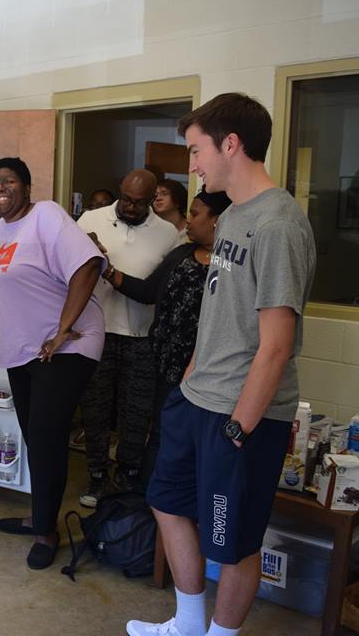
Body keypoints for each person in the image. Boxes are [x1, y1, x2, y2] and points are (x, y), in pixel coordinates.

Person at [127, 93, 316, 636]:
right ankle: (188, 622)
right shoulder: (232, 215)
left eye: (195, 150)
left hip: (240, 414)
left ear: (230, 144)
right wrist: (188, 377)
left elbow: (276, 343)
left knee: (232, 541)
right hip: (195, 399)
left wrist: (243, 424)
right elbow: (220, 312)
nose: (192, 165)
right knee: (165, 501)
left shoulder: (279, 224)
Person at [0, 157, 104, 570]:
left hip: (62, 349)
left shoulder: (46, 215)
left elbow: (87, 265)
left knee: (46, 438)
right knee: (36, 438)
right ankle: (40, 515)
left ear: (27, 187)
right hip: (24, 349)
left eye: (8, 180)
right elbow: (9, 273)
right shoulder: (2, 228)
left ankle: (47, 532)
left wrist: (64, 329)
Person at [101, 187, 232, 482]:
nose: (188, 221)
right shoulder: (182, 254)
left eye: (196, 214)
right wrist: (108, 271)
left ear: (217, 220)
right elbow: (148, 291)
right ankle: (150, 508)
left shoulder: (230, 264)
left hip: (210, 373)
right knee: (161, 434)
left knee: (199, 440)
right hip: (166, 366)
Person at [75, 169, 179, 508]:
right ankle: (96, 476)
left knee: (136, 414)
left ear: (152, 201)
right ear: (121, 190)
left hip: (141, 338)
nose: (132, 208)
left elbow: (158, 291)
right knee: (95, 410)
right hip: (96, 332)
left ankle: (127, 478)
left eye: (141, 203)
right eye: (128, 200)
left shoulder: (167, 234)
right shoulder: (91, 219)